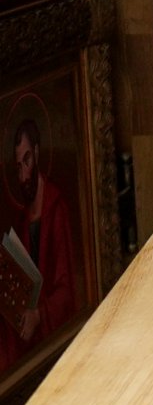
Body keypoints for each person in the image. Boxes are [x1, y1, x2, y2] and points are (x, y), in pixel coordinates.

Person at [1, 114, 78, 368]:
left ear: (36, 153)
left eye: (27, 161)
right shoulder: (23, 221)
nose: (23, 175)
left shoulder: (56, 208)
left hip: (51, 329)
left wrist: (39, 316)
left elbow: (67, 290)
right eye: (18, 166)